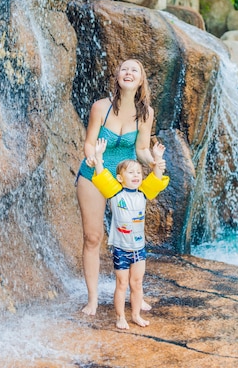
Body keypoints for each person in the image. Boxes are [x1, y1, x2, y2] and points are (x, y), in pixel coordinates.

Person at [76, 59, 164, 316]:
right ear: (117, 76)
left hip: (125, 182)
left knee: (132, 237)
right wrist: (93, 157)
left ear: (140, 81)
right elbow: (90, 142)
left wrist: (153, 160)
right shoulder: (100, 107)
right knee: (93, 237)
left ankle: (138, 295)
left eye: (134, 70)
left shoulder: (146, 113)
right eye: (124, 69)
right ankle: (92, 299)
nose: (128, 73)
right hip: (95, 173)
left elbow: (140, 149)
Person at [91, 137, 169, 329]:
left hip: (139, 248)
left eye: (139, 173)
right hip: (121, 248)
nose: (136, 175)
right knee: (122, 283)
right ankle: (120, 317)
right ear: (120, 177)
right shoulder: (115, 193)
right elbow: (101, 176)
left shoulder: (143, 193)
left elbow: (157, 178)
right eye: (131, 172)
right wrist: (99, 156)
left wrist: (157, 158)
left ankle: (135, 315)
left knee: (137, 282)